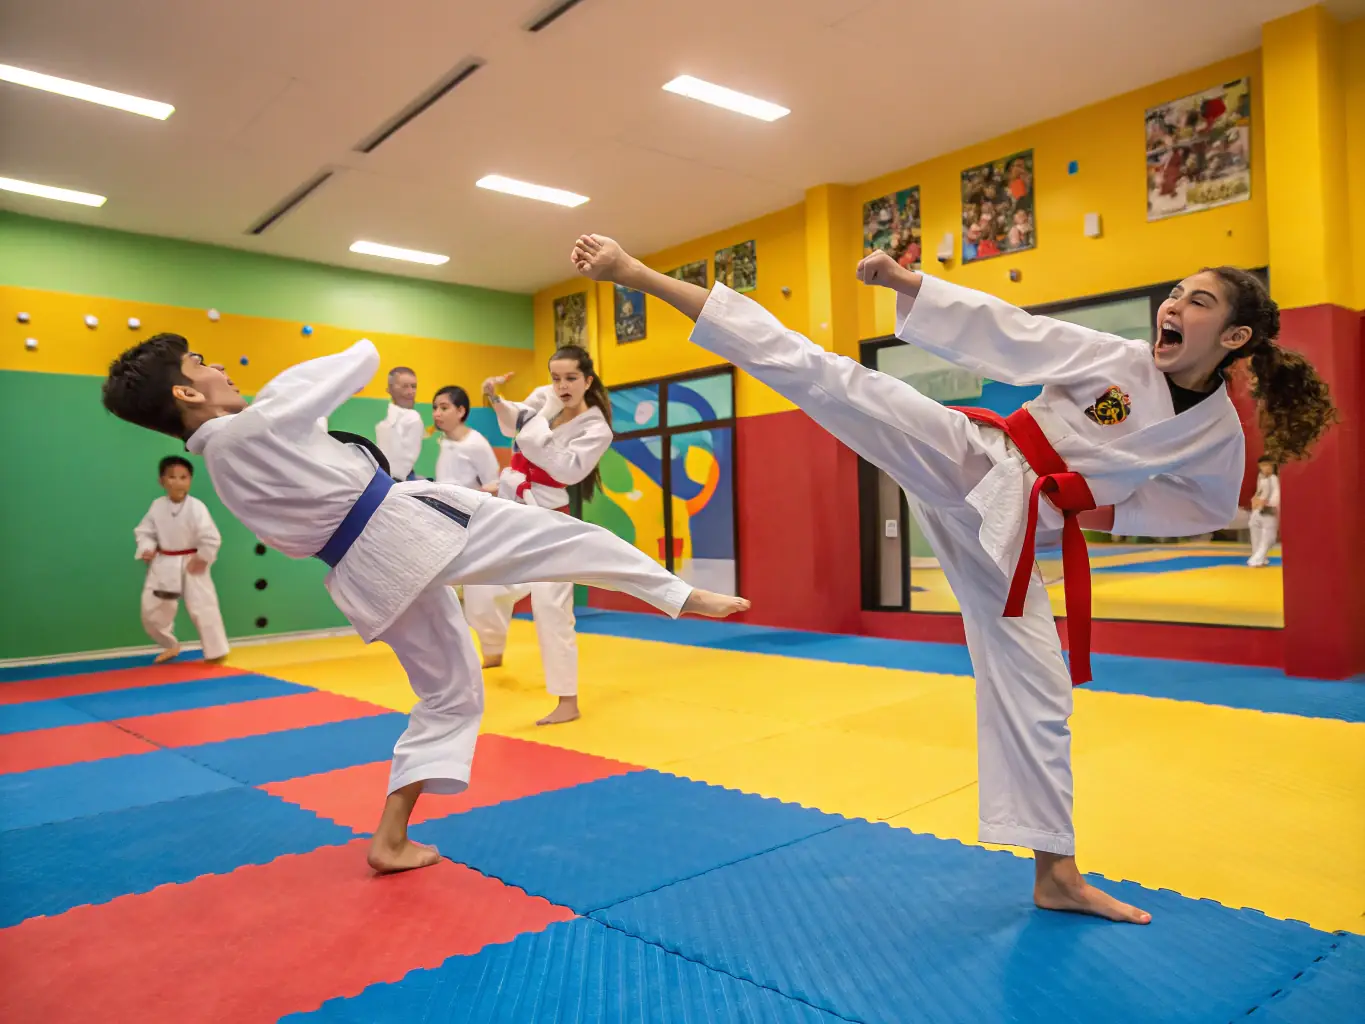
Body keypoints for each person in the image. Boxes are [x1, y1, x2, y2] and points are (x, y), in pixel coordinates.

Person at [569, 232, 1336, 925]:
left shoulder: (1215, 433)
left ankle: (1055, 873)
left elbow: (1198, 502)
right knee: (825, 375)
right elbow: (1013, 333)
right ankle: (640, 273)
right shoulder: (1115, 360)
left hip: (1012, 531)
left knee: (1038, 694)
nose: (1172, 305)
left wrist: (1087, 504)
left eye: (1196, 301)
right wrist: (907, 285)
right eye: (1173, 292)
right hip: (975, 458)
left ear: (1233, 336)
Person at [101, 333, 749, 874]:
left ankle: (390, 837)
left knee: (449, 697)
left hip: (362, 572)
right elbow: (360, 357)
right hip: (406, 525)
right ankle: (678, 592)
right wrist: (275, 397)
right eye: (201, 364)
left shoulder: (222, 467)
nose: (218, 366)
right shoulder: (258, 422)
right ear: (187, 392)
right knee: (564, 538)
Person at [462, 346, 613, 726]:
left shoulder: (596, 429)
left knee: (551, 608)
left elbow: (563, 469)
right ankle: (493, 649)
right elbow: (514, 421)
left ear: (587, 381)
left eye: (570, 379)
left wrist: (540, 420)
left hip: (549, 522)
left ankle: (567, 701)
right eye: (556, 378)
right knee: (481, 586)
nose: (561, 387)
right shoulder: (543, 398)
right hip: (513, 509)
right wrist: (494, 397)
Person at [134, 455, 229, 664]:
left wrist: (203, 557)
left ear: (190, 480)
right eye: (172, 477)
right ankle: (169, 644)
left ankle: (216, 651)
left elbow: (211, 536)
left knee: (204, 607)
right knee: (153, 609)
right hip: (164, 564)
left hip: (191, 563)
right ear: (162, 481)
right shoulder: (157, 506)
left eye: (183, 477)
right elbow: (145, 531)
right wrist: (147, 548)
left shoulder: (196, 507)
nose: (178, 482)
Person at [431, 386, 501, 493]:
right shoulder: (444, 441)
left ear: (460, 411)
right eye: (435, 408)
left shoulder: (476, 443)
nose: (436, 414)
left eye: (444, 408)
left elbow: (494, 485)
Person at [376, 366, 423, 481]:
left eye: (414, 387)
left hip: (397, 480)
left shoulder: (413, 418)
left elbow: (406, 461)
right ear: (389, 389)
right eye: (405, 386)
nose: (410, 392)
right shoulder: (387, 418)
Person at [1247, 456, 1280, 567]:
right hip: (1257, 510)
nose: (1267, 467)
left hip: (1269, 511)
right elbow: (1259, 491)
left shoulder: (1274, 478)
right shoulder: (1261, 477)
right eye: (1264, 465)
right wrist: (1254, 500)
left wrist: (1267, 503)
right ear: (1260, 466)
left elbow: (1276, 495)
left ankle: (1256, 559)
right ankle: (1259, 559)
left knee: (1269, 538)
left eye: (1269, 465)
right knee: (1256, 536)